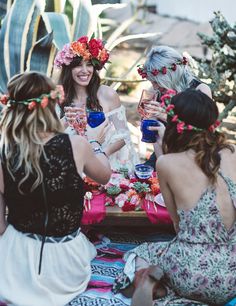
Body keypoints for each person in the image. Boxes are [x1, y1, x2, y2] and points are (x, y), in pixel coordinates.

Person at [113, 89, 236, 305]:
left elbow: (177, 226)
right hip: (232, 274)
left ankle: (151, 282)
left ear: (173, 123)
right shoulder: (231, 152)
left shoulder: (166, 163)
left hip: (191, 275)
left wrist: (161, 147)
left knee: (143, 251)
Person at [0, 72, 111, 306]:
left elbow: (0, 227)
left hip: (15, 263)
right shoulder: (77, 145)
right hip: (66, 265)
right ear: (51, 104)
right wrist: (96, 143)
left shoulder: (3, 152)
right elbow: (104, 176)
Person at [54, 36, 138, 172]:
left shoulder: (108, 95)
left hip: (106, 163)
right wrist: (66, 121)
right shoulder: (57, 98)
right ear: (68, 69)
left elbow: (123, 135)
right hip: (71, 166)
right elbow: (49, 139)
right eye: (78, 65)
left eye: (89, 65)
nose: (85, 70)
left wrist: (101, 155)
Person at [137, 45, 212, 167]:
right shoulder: (157, 92)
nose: (154, 86)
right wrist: (148, 120)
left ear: (171, 75)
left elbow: (201, 135)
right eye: (152, 82)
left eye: (156, 82)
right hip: (162, 153)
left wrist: (164, 115)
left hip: (193, 158)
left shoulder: (200, 90)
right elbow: (154, 137)